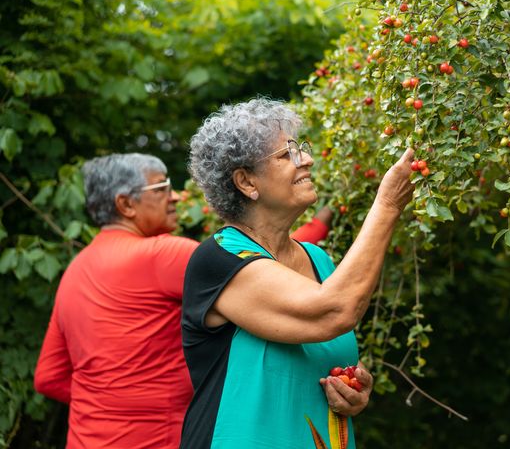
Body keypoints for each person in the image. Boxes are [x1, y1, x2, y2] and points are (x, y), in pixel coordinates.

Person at [33, 153, 356, 449]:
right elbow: (263, 271)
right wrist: (322, 219)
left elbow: (48, 377)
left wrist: (110, 402)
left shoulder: (75, 270)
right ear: (125, 205)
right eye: (162, 188)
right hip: (158, 439)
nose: (175, 197)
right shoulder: (160, 255)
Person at [181, 98, 414, 448]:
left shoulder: (318, 259)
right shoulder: (219, 259)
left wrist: (355, 387)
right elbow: (336, 311)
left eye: (300, 148)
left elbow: (327, 352)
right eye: (286, 154)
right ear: (246, 182)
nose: (306, 159)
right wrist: (387, 206)